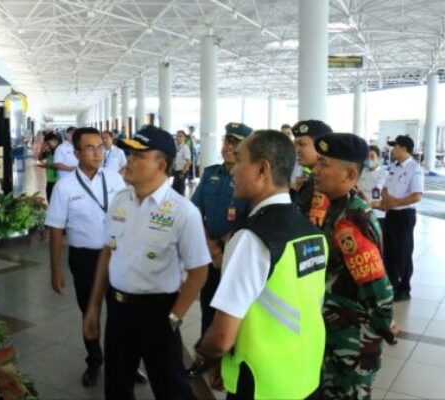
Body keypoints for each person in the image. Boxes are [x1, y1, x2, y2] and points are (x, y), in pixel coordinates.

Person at [196, 130, 328, 399]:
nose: (232, 170)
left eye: (240, 159)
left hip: (261, 384)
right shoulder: (311, 230)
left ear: (262, 169)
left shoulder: (252, 238)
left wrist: (203, 354)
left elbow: (222, 337)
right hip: (306, 375)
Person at [83, 125, 211, 400]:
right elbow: (108, 252)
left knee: (171, 389)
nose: (129, 160)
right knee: (117, 387)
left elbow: (199, 271)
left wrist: (174, 318)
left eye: (139, 156)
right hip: (118, 310)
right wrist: (94, 307)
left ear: (161, 165)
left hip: (159, 313)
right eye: (130, 154)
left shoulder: (182, 211)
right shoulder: (120, 200)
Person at [312, 133, 397, 400]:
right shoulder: (338, 208)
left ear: (349, 175)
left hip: (353, 337)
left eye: (324, 164)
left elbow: (377, 286)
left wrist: (384, 326)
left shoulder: (350, 221)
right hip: (339, 330)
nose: (315, 170)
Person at [44, 127, 127, 387]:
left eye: (100, 146)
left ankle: (125, 363)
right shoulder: (64, 187)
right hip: (84, 259)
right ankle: (94, 360)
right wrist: (55, 270)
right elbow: (56, 230)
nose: (97, 152)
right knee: (89, 312)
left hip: (117, 256)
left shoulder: (115, 179)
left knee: (120, 314)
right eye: (89, 148)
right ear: (76, 153)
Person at [186, 122, 252, 379]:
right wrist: (211, 246)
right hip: (210, 252)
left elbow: (254, 218)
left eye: (235, 143)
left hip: (237, 256)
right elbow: (194, 211)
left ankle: (229, 365)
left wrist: (226, 248)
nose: (228, 147)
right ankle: (207, 361)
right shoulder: (211, 173)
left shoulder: (251, 177)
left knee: (234, 312)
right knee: (208, 306)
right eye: (227, 141)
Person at [374, 135, 424, 302]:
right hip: (391, 214)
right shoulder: (394, 167)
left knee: (403, 252)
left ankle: (404, 288)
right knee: (389, 252)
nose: (392, 150)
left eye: (395, 147)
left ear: (403, 149)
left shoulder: (415, 169)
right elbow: (385, 189)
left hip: (404, 215)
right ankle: (393, 285)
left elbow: (417, 196)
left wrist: (395, 202)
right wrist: (386, 198)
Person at [291, 120, 334, 227]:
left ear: (321, 146)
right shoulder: (311, 179)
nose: (296, 150)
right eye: (295, 144)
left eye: (302, 144)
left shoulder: (325, 184)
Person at [358, 145, 388, 228]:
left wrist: (372, 204)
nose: (369, 159)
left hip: (377, 214)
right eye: (367, 157)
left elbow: (378, 190)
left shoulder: (384, 173)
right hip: (362, 212)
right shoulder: (362, 173)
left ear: (378, 158)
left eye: (372, 156)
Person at [37, 132, 60, 202]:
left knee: (57, 202)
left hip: (58, 181)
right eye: (46, 143)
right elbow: (40, 158)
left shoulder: (61, 151)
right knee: (50, 200)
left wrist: (46, 166)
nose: (48, 145)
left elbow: (60, 166)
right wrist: (41, 149)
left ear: (55, 141)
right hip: (50, 180)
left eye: (49, 143)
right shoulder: (49, 151)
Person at [172, 130, 192, 195]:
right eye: (177, 136)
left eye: (180, 136)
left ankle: (181, 204)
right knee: (175, 189)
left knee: (180, 190)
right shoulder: (178, 147)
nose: (178, 138)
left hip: (182, 171)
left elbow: (188, 161)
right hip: (176, 171)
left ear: (184, 138)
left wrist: (183, 173)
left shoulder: (185, 148)